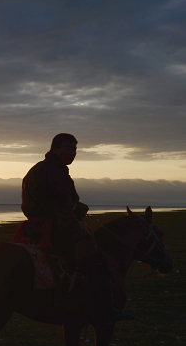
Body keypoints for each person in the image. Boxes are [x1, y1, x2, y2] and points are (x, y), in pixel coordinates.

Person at [20, 133, 132, 322]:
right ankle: (105, 307)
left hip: (33, 226)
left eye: (74, 149)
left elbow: (50, 202)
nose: (72, 153)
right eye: (67, 148)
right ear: (55, 149)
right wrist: (78, 232)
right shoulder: (56, 172)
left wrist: (77, 207)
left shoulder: (38, 168)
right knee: (97, 256)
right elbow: (62, 210)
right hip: (54, 228)